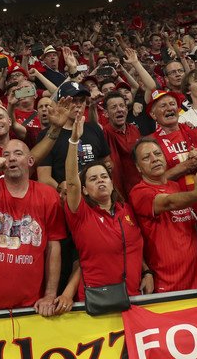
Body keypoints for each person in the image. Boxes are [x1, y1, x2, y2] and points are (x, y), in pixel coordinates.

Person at [0, 139, 66, 314]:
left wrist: (50, 294)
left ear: (30, 161)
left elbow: (53, 246)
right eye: (6, 154)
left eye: (18, 153)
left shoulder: (48, 195)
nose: (11, 158)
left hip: (31, 306)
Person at [63, 116, 151, 309]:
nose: (101, 180)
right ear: (84, 189)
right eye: (93, 179)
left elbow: (134, 245)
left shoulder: (126, 209)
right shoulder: (80, 213)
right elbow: (71, 181)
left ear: (112, 182)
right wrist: (74, 141)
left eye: (104, 176)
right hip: (97, 301)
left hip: (134, 298)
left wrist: (147, 272)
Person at [129, 138, 197, 292]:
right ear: (138, 167)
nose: (154, 159)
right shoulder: (139, 192)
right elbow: (169, 203)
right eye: (146, 157)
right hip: (169, 284)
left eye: (157, 153)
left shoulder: (175, 186)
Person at [37, 81, 109, 188]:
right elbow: (44, 178)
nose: (79, 104)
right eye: (73, 100)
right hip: (67, 199)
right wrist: (62, 190)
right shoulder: (47, 136)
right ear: (61, 103)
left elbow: (107, 162)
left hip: (95, 193)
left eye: (82, 100)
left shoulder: (95, 128)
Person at [102, 91, 142, 199]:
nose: (119, 109)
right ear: (106, 113)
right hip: (118, 193)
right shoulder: (104, 133)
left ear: (126, 109)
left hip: (140, 188)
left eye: (122, 106)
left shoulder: (134, 129)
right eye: (114, 107)